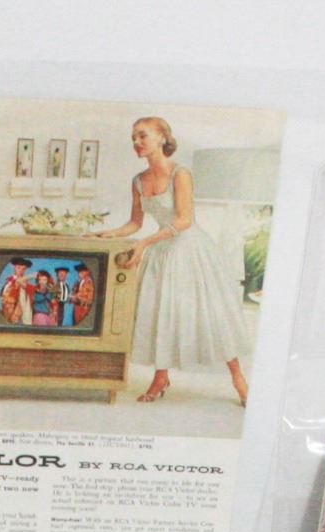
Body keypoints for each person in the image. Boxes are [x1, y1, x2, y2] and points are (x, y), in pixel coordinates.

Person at [96, 116, 249, 406]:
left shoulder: (181, 174)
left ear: (162, 138)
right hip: (162, 251)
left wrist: (144, 243)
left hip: (191, 250)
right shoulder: (138, 181)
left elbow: (183, 220)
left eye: (142, 135)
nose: (136, 142)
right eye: (133, 137)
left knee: (210, 315)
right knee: (160, 313)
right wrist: (107, 234)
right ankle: (160, 378)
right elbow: (135, 222)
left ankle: (238, 379)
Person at [0, 257, 33, 325]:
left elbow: (22, 299)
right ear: (14, 267)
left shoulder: (23, 282)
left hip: (16, 309)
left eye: (23, 269)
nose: (20, 270)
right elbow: (3, 295)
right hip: (6, 307)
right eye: (18, 267)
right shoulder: (9, 280)